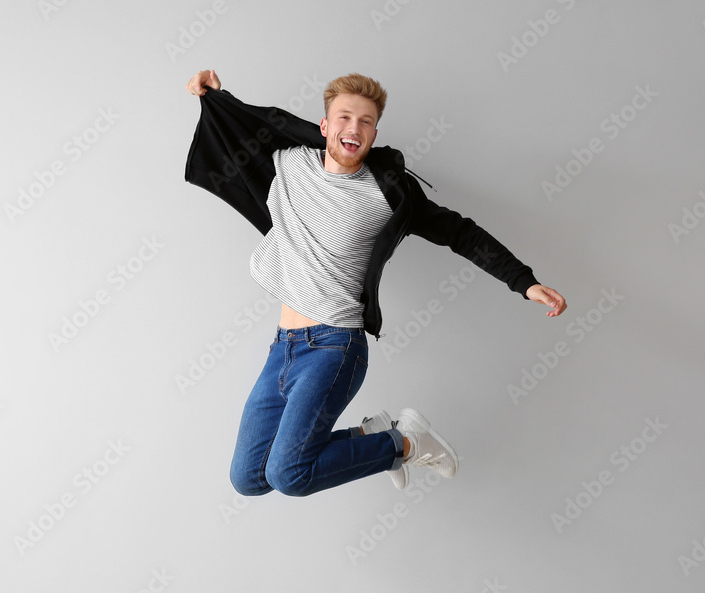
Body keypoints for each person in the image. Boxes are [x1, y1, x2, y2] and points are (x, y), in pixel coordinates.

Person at [185, 69, 566, 497]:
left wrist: (524, 282)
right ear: (325, 126)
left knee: (289, 474)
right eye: (344, 118)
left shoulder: (390, 193)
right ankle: (375, 434)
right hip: (283, 348)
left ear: (374, 132)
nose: (354, 128)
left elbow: (460, 232)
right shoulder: (286, 162)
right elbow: (241, 127)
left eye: (365, 121)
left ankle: (404, 442)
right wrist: (218, 97)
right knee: (249, 478)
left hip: (335, 347)